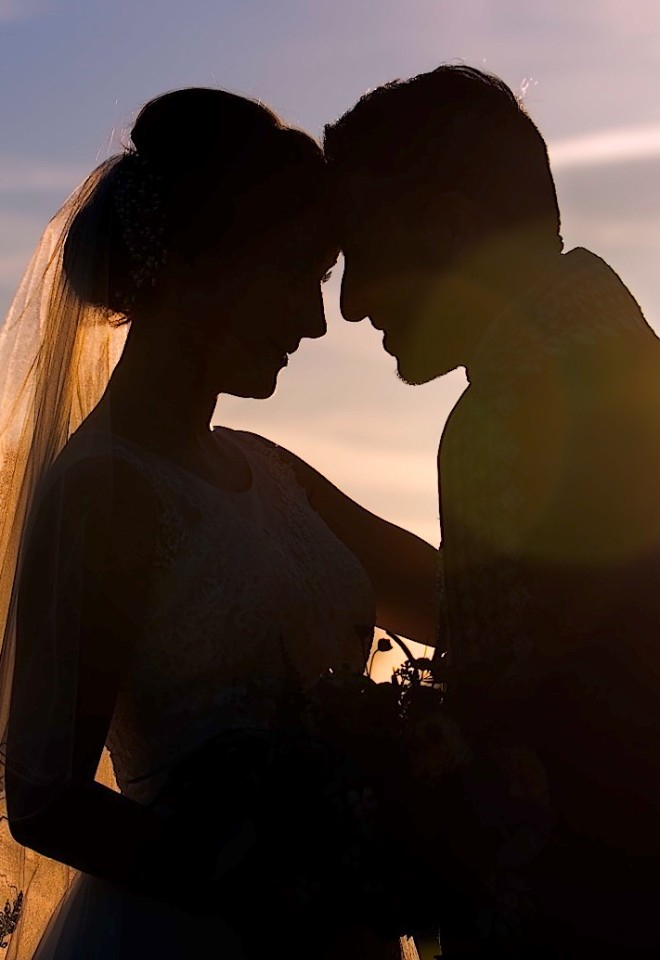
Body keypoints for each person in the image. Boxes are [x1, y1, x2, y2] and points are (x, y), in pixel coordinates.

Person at [0, 87, 438, 960]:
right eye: (293, 277)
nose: (316, 322)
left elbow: (450, 598)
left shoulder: (271, 470)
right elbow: (45, 793)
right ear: (195, 269)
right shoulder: (102, 491)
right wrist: (263, 883)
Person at [325, 65, 660, 956]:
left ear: (446, 226)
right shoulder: (627, 358)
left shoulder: (504, 419)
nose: (352, 304)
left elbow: (507, 755)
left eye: (362, 251)